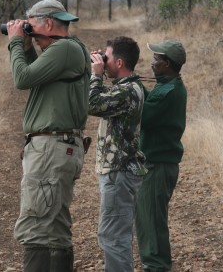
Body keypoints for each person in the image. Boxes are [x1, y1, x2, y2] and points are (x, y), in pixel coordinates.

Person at [6, 0, 91, 272]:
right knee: (54, 226)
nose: (28, 29)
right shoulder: (69, 49)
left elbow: (22, 79)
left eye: (31, 24)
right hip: (58, 147)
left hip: (51, 149)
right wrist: (29, 45)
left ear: (49, 23)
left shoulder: (65, 48)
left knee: (36, 227)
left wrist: (16, 43)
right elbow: (37, 75)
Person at [89, 36, 147, 272]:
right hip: (120, 172)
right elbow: (102, 100)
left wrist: (95, 75)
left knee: (114, 237)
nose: (104, 61)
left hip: (119, 173)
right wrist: (99, 74)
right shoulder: (127, 88)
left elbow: (92, 104)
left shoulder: (127, 92)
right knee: (115, 234)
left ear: (120, 62)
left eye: (108, 57)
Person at [135, 39, 187, 272]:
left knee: (152, 222)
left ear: (166, 64)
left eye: (156, 59)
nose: (152, 62)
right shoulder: (168, 86)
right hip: (158, 164)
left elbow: (143, 116)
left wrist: (128, 84)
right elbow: (151, 104)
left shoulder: (169, 91)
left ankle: (156, 266)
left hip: (157, 165)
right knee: (148, 220)